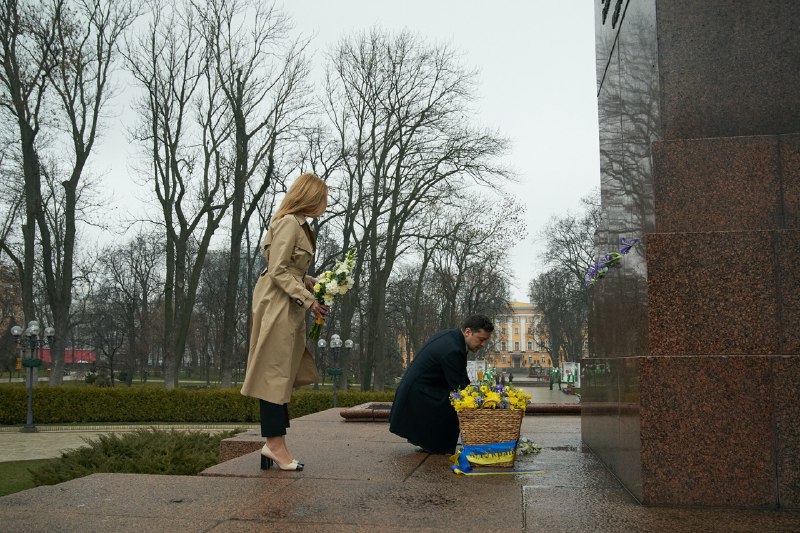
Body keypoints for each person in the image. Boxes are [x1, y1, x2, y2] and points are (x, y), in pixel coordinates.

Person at [240, 173, 330, 472]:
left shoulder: (294, 223)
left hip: (284, 304)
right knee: (274, 375)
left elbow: (286, 269)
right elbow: (277, 270)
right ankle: (275, 445)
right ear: (310, 197)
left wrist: (308, 281)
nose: (324, 204)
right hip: (278, 304)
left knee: (278, 374)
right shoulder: (290, 223)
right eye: (321, 198)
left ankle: (275, 444)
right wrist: (308, 299)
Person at [389, 314, 494, 455]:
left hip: (417, 391)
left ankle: (433, 442)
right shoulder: (454, 349)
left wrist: (477, 394)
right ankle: (436, 444)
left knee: (456, 398)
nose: (483, 344)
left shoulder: (451, 337)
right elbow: (459, 388)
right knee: (455, 401)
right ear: (468, 332)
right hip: (418, 396)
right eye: (481, 339)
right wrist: (481, 404)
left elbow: (461, 378)